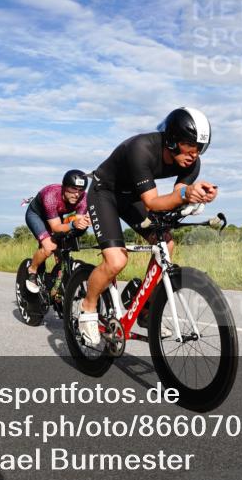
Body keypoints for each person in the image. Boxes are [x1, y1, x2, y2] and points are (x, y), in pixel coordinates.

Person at [79, 107, 218, 346]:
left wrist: (195, 197)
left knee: (167, 243)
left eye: (200, 148)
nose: (194, 154)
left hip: (132, 197)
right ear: (173, 139)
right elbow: (153, 203)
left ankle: (145, 309)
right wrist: (186, 193)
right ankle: (88, 307)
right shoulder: (141, 149)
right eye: (189, 145)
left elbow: (175, 196)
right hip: (106, 193)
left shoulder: (191, 164)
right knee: (116, 261)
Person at [23, 170, 91, 293]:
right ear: (64, 187)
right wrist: (73, 224)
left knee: (63, 247)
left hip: (56, 216)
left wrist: (84, 223)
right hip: (36, 215)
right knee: (50, 246)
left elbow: (78, 222)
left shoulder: (84, 199)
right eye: (73, 189)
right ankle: (32, 270)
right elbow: (55, 227)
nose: (76, 194)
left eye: (81, 190)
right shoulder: (51, 195)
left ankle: (56, 279)